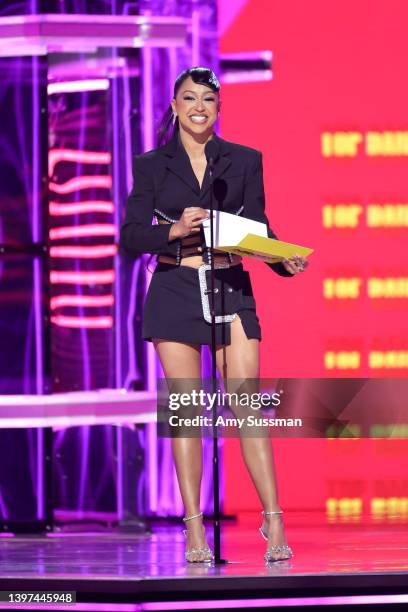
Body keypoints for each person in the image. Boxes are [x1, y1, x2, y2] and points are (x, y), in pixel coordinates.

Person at [120, 67, 309, 563]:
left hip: (230, 285)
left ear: (219, 107)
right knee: (187, 413)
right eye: (189, 98)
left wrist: (281, 259)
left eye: (208, 98)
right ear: (176, 106)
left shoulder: (244, 160)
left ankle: (274, 521)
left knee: (247, 406)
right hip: (175, 285)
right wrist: (175, 229)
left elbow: (259, 228)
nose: (199, 106)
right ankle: (194, 529)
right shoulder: (152, 166)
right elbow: (131, 235)